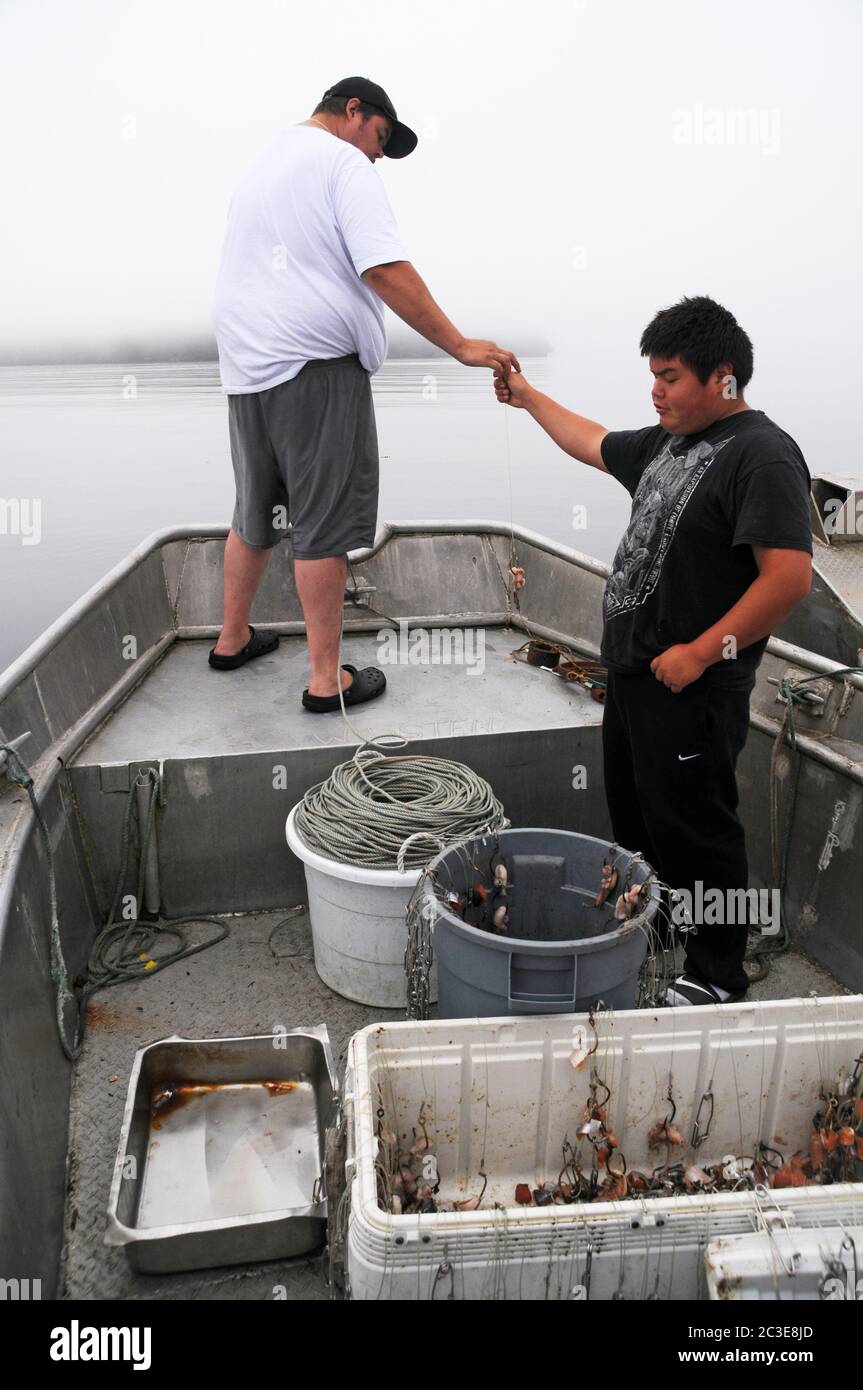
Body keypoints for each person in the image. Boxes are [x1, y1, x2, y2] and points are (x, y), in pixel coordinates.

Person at [494, 296, 813, 1005]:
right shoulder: (667, 444)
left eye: (668, 375)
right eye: (653, 374)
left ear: (721, 378)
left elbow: (786, 578)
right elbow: (589, 439)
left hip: (692, 687)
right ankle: (661, 942)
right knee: (639, 820)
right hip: (636, 678)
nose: (655, 389)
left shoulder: (761, 455)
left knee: (696, 831)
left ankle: (717, 978)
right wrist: (525, 397)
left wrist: (700, 652)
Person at [211, 76, 518, 712]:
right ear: (354, 113)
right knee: (320, 526)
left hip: (246, 369)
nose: (378, 155)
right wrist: (459, 345)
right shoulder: (342, 163)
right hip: (316, 369)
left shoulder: (263, 164)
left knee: (256, 511)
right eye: (380, 137)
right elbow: (382, 268)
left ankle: (232, 640)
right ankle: (327, 682)